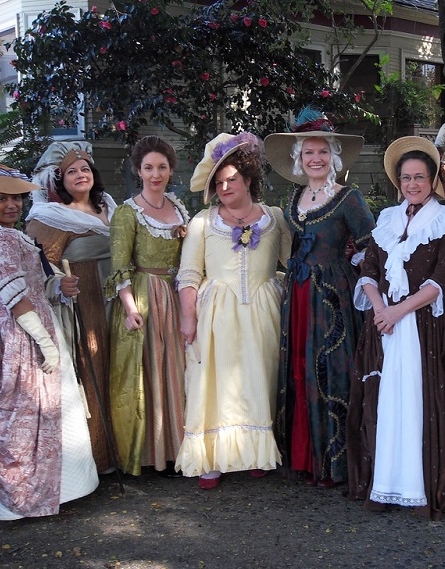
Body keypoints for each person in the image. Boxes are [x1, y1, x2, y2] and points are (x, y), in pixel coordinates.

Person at [0, 163, 98, 520]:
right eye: (1, 199)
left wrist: (58, 287)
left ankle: (61, 489)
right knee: (21, 411)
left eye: (15, 198)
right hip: (18, 333)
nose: (11, 205)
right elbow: (13, 296)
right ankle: (19, 500)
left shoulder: (11, 235)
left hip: (26, 322)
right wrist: (44, 344)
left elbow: (7, 288)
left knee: (39, 408)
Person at [346, 136, 445, 519]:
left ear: (433, 179)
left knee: (421, 402)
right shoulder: (386, 219)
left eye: (420, 177)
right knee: (387, 402)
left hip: (426, 325)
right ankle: (386, 484)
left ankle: (419, 488)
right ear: (398, 181)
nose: (413, 184)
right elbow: (368, 269)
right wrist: (379, 310)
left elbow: (442, 280)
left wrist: (398, 310)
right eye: (406, 178)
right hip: (386, 324)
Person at [175, 132, 292, 490]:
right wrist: (188, 316)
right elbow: (189, 274)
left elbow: (295, 263)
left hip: (262, 308)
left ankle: (255, 452)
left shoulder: (274, 218)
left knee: (259, 377)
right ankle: (211, 456)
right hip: (217, 313)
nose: (225, 187)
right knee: (215, 381)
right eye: (219, 182)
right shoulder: (203, 223)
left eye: (232, 180)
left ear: (248, 180)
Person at [265, 108, 375, 487]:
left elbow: (370, 249)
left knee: (330, 371)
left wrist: (373, 296)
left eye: (323, 152)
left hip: (334, 297)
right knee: (300, 368)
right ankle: (304, 457)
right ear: (299, 159)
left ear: (334, 157)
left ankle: (335, 464)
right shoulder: (295, 195)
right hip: (297, 292)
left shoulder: (350, 198)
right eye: (308, 153)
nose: (316, 159)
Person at [26, 141, 117, 472]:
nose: (81, 175)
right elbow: (35, 269)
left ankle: (125, 449)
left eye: (86, 168)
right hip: (83, 301)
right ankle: (94, 458)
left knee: (119, 367)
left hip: (116, 298)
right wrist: (58, 286)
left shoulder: (109, 206)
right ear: (57, 179)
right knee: (93, 365)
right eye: (72, 171)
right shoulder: (49, 217)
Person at [104, 135, 189, 477]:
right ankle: (150, 453)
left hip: (174, 293)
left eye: (162, 167)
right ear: (138, 171)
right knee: (148, 371)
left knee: (176, 367)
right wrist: (129, 308)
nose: (156, 174)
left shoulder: (179, 208)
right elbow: (120, 265)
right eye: (149, 167)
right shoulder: (127, 213)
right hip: (143, 295)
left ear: (170, 171)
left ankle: (177, 448)